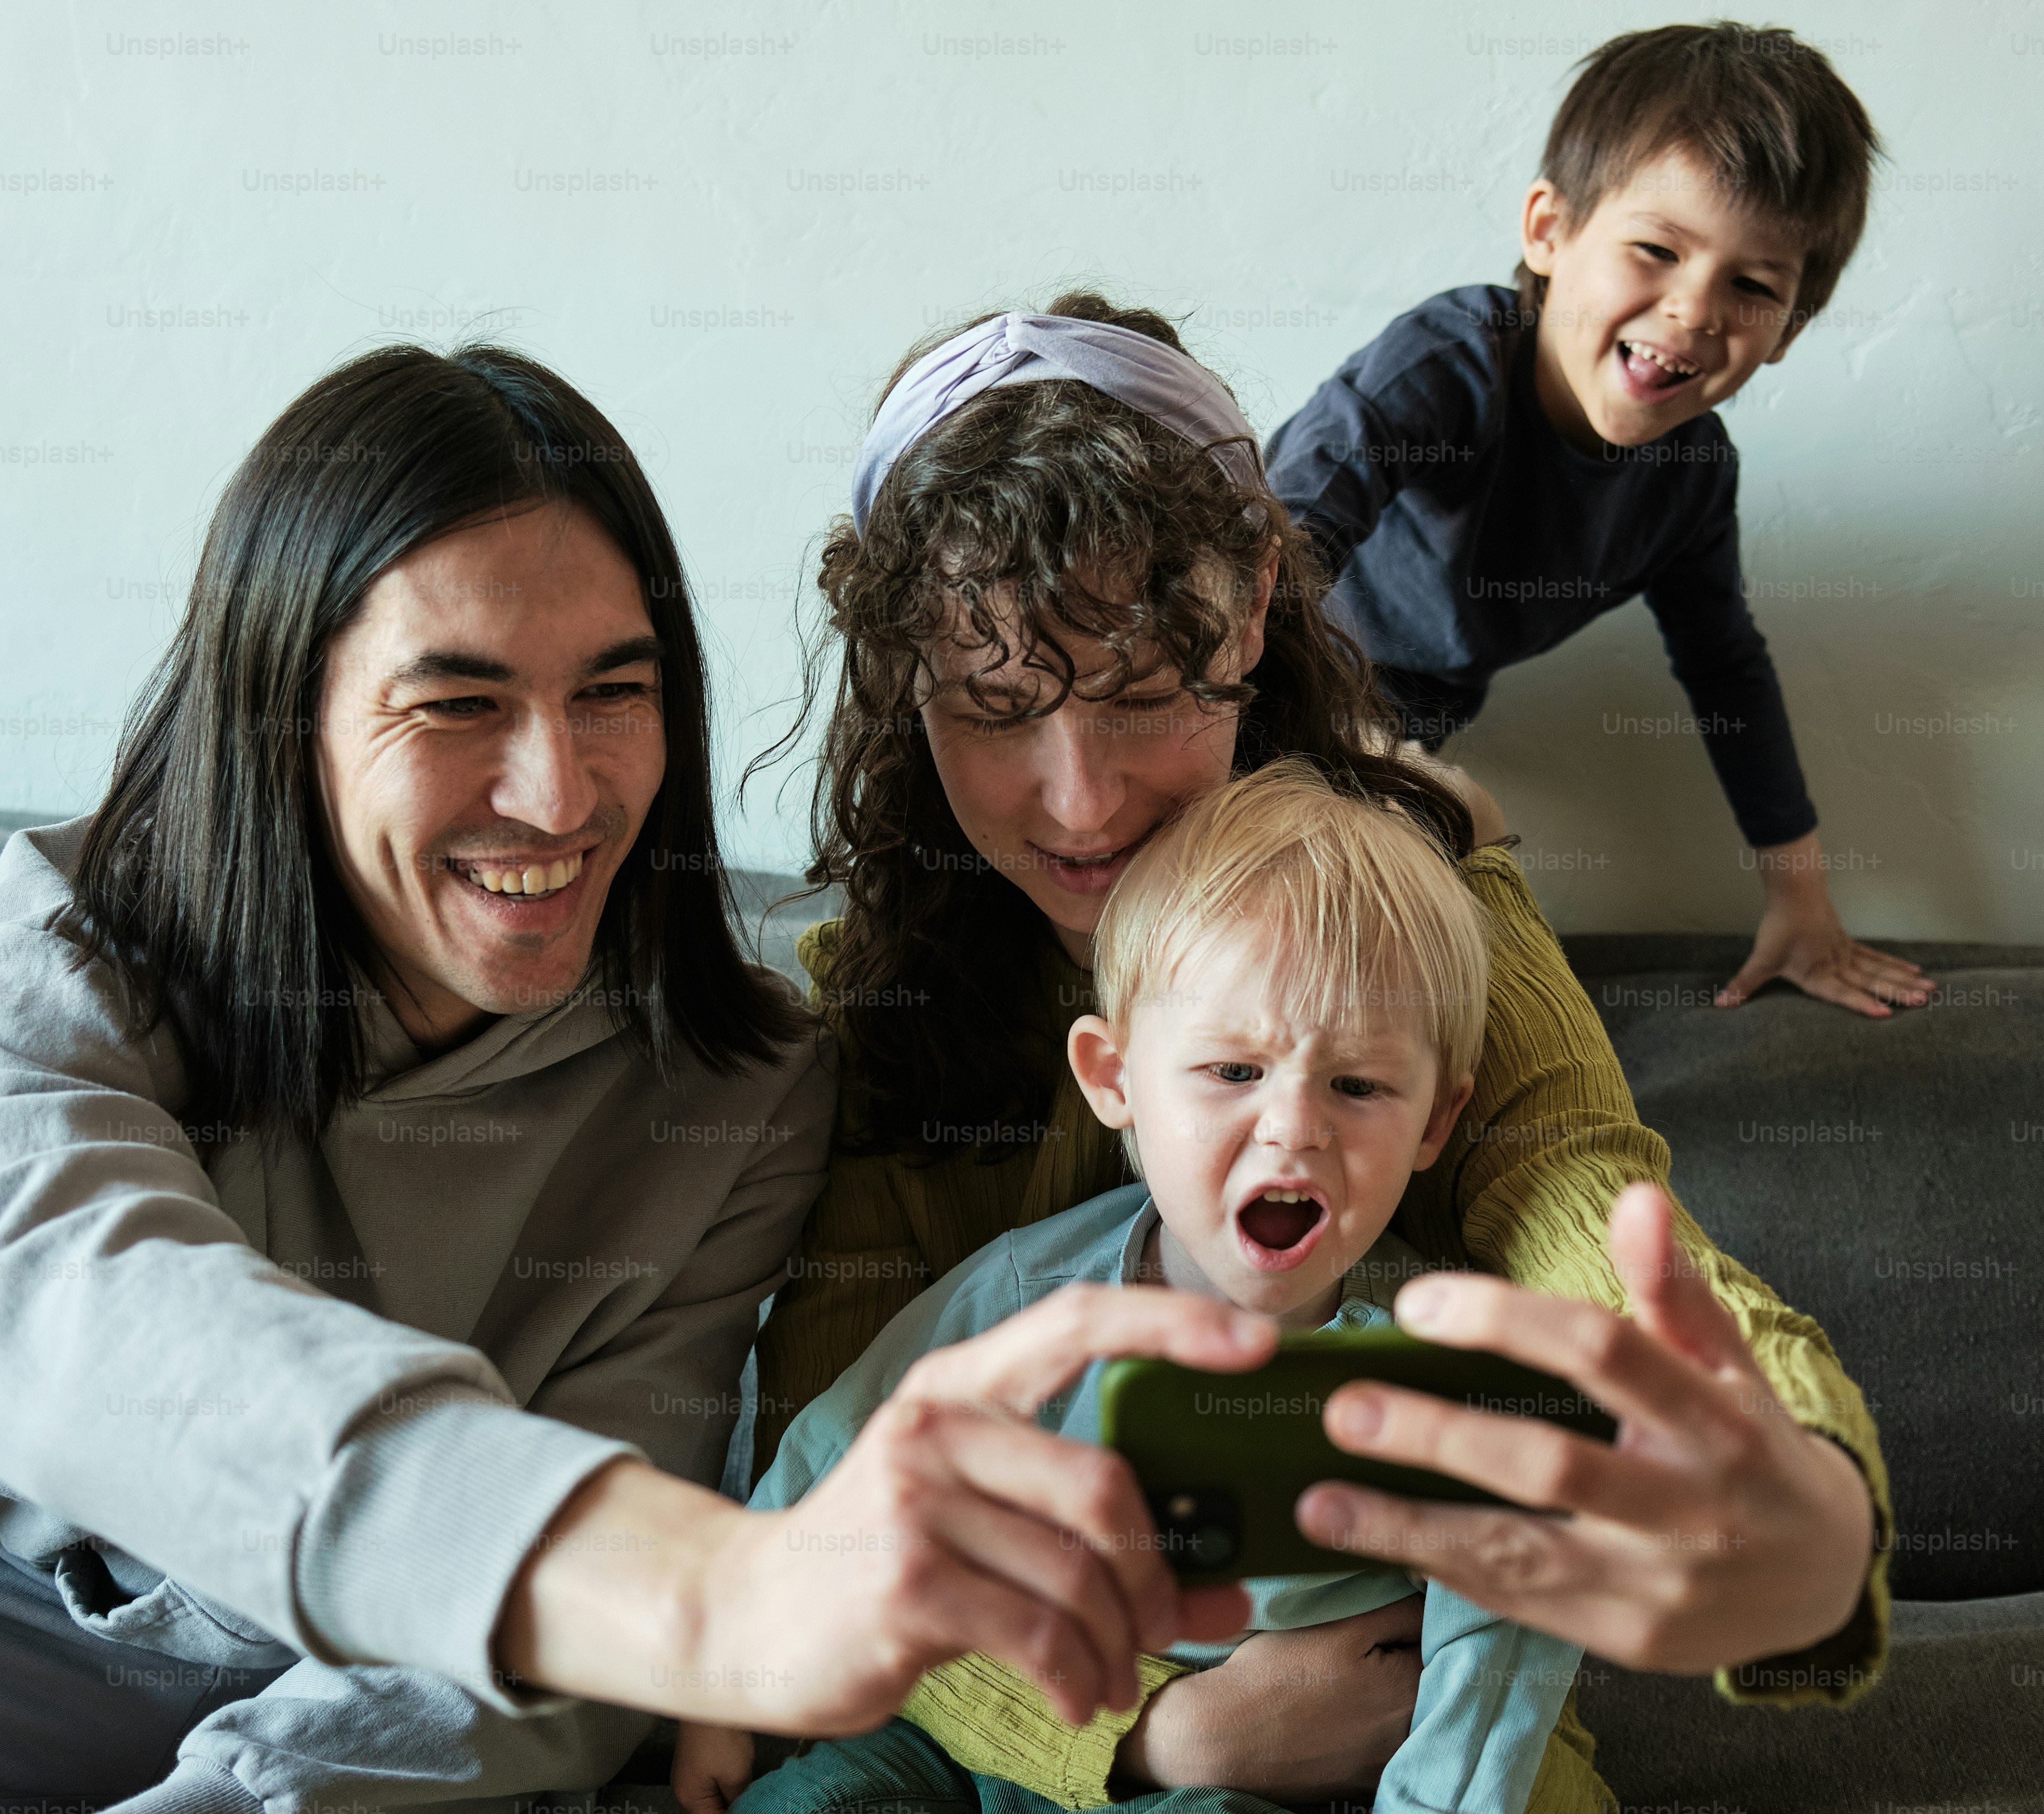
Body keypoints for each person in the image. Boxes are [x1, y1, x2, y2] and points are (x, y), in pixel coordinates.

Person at [0, 345, 1275, 1808]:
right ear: (286, 708)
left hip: (436, 1691)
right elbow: (89, 1312)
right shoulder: (43, 973)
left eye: (615, 690)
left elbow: (548, 1678)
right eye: (457, 703)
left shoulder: (733, 1079)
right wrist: (715, 1585)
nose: (561, 790)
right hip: (7, 1595)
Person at [755, 295, 1893, 1807]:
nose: (1081, 799)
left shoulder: (1424, 903)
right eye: (998, 705)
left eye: (1147, 692)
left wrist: (1799, 1494)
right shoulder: (874, 1002)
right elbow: (820, 1522)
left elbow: (1583, 1207)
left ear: (1253, 608)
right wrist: (1152, 1740)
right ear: (909, 678)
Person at [685, 760, 1601, 1814]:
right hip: (973, 1742)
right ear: (1114, 1080)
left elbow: (1500, 1639)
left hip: (1251, 1780)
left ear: (1435, 1121)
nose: (1293, 1127)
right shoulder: (1037, 1291)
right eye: (1231, 1072)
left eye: (1357, 1086)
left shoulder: (1444, 1371)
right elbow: (842, 1446)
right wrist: (726, 1683)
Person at [1262, 22, 1936, 1019]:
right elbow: (1277, 542)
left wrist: (1801, 898)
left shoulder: (1692, 480)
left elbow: (1727, 672)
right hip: (1257, 691)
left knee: (1441, 973)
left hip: (1412, 739)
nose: (1695, 310)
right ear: (1549, 231)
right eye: (1657, 250)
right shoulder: (1451, 366)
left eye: (1753, 286)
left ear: (1789, 329)